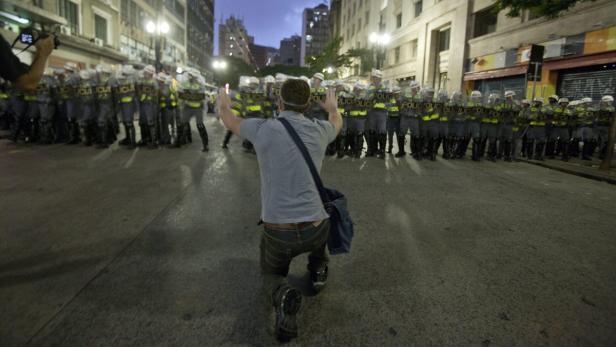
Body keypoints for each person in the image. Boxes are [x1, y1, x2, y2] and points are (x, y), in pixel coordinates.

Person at [216, 78, 342, 342]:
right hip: (316, 228)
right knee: (321, 229)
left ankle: (282, 295)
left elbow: (229, 120)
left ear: (279, 102)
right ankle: (318, 271)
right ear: (308, 106)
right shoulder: (320, 130)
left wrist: (224, 102)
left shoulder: (262, 128)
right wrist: (332, 108)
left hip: (279, 231)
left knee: (271, 273)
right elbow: (336, 122)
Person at [178, 68, 208, 152]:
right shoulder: (185, 83)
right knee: (181, 124)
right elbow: (180, 95)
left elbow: (200, 97)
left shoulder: (200, 85)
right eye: (190, 76)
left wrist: (188, 95)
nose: (190, 77)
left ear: (196, 77)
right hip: (187, 107)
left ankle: (205, 145)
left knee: (200, 125)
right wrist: (189, 96)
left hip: (198, 107)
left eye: (192, 76)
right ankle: (178, 142)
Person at [365, 69, 389, 158]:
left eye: (377, 78)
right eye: (374, 77)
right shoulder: (369, 88)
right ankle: (372, 150)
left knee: (382, 131)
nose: (375, 79)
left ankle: (382, 151)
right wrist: (372, 98)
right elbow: (366, 98)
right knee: (372, 131)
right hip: (372, 112)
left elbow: (389, 100)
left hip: (382, 112)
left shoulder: (385, 88)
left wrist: (386, 106)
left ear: (380, 78)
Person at [94, 65, 117, 148]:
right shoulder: (102, 81)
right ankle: (111, 138)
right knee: (108, 121)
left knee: (102, 122)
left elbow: (114, 95)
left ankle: (104, 142)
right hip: (104, 104)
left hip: (106, 104)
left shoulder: (110, 81)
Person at [398, 81, 422, 159]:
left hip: (414, 118)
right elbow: (399, 102)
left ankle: (416, 153)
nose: (417, 89)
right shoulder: (405, 94)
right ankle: (401, 151)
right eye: (415, 87)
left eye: (417, 87)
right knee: (401, 133)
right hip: (405, 117)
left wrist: (417, 112)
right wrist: (404, 105)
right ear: (412, 87)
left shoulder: (419, 95)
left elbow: (421, 106)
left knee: (416, 134)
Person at [137, 65, 159, 148]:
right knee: (142, 123)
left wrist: (148, 97)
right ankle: (144, 139)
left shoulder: (154, 82)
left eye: (146, 72)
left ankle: (153, 141)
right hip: (143, 105)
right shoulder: (142, 81)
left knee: (151, 123)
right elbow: (139, 92)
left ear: (150, 73)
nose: (144, 74)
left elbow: (156, 96)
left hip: (150, 105)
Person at [116, 64, 137, 148]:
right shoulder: (123, 80)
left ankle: (132, 141)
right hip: (123, 103)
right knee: (125, 122)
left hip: (129, 104)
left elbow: (129, 93)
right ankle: (128, 138)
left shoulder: (130, 81)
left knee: (129, 122)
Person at [596, 95, 615, 159]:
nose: (611, 102)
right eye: (610, 101)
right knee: (603, 141)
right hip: (602, 126)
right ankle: (602, 154)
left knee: (606, 141)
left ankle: (605, 154)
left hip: (608, 127)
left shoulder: (611, 108)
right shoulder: (601, 108)